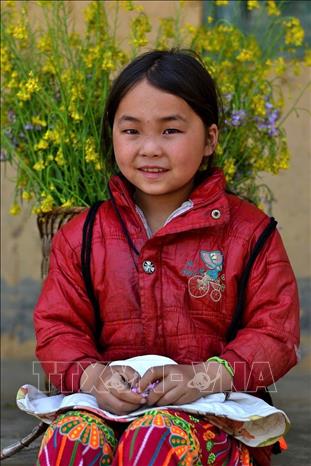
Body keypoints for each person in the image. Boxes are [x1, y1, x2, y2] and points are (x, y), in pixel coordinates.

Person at [34, 49, 299, 466]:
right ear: (113, 137)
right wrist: (93, 375)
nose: (150, 148)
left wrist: (208, 376)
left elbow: (276, 334)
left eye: (171, 131)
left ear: (210, 138)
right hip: (107, 410)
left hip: (214, 416)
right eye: (132, 131)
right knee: (71, 441)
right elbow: (56, 329)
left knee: (155, 442)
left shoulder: (250, 233)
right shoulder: (82, 236)